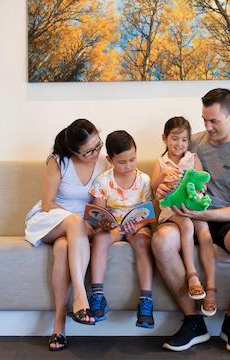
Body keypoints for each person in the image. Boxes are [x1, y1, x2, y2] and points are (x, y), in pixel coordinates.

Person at [152, 89, 230, 353]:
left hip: (223, 219)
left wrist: (207, 214)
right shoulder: (191, 143)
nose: (208, 127)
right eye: (204, 120)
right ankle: (194, 321)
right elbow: (167, 175)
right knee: (161, 240)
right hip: (185, 215)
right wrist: (160, 190)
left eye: (214, 121)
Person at [24, 119, 108, 351]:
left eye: (97, 145)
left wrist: (98, 220)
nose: (95, 152)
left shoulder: (103, 164)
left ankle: (58, 327)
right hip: (51, 220)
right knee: (73, 221)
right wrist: (75, 220)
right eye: (88, 151)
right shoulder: (58, 161)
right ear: (73, 151)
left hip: (80, 228)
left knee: (62, 249)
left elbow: (99, 203)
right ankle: (81, 297)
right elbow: (47, 203)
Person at [87, 130, 155, 328]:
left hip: (136, 226)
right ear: (110, 159)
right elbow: (98, 211)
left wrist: (138, 224)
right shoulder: (102, 181)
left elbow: (148, 212)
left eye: (133, 159)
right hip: (113, 228)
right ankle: (98, 295)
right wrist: (104, 222)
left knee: (143, 241)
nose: (128, 166)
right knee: (99, 239)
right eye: (122, 162)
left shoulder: (144, 180)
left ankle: (146, 300)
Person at [150, 116, 217, 317]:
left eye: (184, 140)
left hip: (193, 207)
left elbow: (203, 183)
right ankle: (191, 275)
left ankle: (211, 289)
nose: (179, 144)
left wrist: (198, 193)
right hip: (173, 211)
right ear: (165, 138)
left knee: (205, 235)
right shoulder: (161, 162)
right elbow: (154, 188)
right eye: (175, 138)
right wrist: (164, 177)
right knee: (186, 226)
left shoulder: (192, 158)